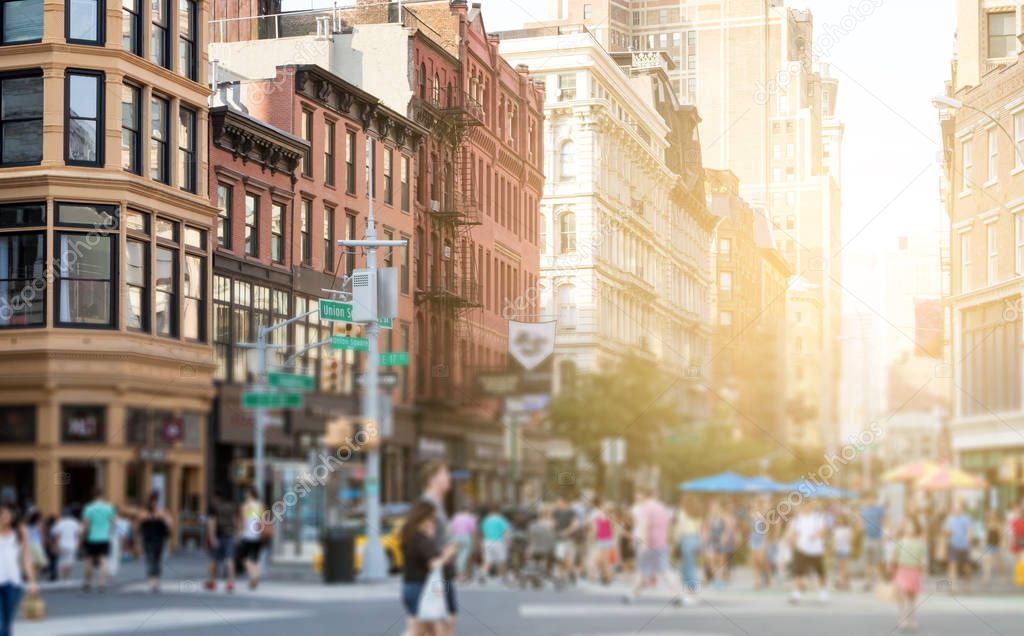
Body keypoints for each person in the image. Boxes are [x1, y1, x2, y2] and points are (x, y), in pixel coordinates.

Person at [400, 501, 456, 636]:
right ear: (422, 517)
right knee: (421, 630)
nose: (433, 522)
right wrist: (447, 554)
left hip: (412, 586)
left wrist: (430, 538)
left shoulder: (410, 536)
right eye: (431, 518)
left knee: (426, 629)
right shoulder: (419, 538)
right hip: (422, 588)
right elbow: (433, 564)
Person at [624, 487, 687, 606]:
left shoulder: (645, 508)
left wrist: (643, 542)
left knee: (641, 569)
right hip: (661, 543)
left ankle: (631, 595)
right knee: (666, 570)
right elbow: (668, 525)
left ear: (645, 496)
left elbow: (644, 525)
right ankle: (677, 595)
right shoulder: (663, 508)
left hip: (648, 542)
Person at [420, 460, 456, 631]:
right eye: (444, 473)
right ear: (432, 479)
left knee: (445, 619)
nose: (449, 477)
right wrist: (444, 555)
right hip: (437, 571)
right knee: (444, 619)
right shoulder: (429, 504)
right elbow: (422, 538)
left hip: (443, 570)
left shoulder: (437, 503)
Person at [0, 503, 38, 636]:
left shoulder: (20, 531)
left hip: (14, 584)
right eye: (1, 514)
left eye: (7, 513)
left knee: (6, 624)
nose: (4, 517)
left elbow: (27, 559)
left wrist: (32, 581)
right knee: (0, 625)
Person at [788, 501, 829, 604]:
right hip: (801, 549)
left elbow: (823, 530)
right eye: (803, 506)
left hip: (816, 550)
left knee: (820, 572)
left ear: (811, 506)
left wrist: (816, 535)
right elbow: (795, 533)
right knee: (798, 572)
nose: (806, 508)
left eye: (808, 506)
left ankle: (823, 591)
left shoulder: (817, 518)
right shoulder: (798, 519)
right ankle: (798, 592)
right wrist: (793, 542)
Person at [891, 517, 927, 632]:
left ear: (916, 528)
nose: (909, 528)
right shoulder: (900, 541)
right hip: (902, 570)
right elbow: (895, 556)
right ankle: (904, 618)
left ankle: (912, 618)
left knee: (912, 597)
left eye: (911, 526)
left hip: (915, 571)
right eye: (907, 526)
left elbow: (923, 558)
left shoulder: (920, 542)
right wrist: (891, 567)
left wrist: (924, 569)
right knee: (903, 594)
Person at [81, 487, 116, 592]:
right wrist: (107, 530)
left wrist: (83, 536)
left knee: (88, 561)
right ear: (102, 495)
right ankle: (102, 584)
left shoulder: (88, 508)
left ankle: (87, 583)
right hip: (104, 537)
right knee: (103, 561)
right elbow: (113, 523)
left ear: (92, 495)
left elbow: (86, 525)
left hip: (91, 538)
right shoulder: (109, 508)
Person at [205, 490, 238, 592]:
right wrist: (237, 534)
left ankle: (212, 582)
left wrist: (212, 537)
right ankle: (230, 582)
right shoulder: (232, 507)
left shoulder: (215, 507)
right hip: (230, 535)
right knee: (230, 558)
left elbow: (212, 523)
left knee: (214, 560)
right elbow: (236, 521)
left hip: (218, 536)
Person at [137, 492, 171, 593]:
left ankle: (156, 582)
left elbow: (169, 522)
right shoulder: (144, 512)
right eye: (152, 501)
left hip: (159, 539)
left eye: (155, 501)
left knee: (156, 560)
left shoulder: (161, 512)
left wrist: (161, 516)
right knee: (151, 559)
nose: (154, 504)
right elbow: (139, 521)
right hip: (148, 540)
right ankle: (153, 582)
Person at [674, 495, 703, 596]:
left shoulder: (683, 513)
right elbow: (699, 530)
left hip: (686, 539)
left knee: (687, 564)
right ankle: (687, 585)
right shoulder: (697, 514)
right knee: (689, 563)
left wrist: (676, 540)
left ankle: (692, 586)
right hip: (695, 539)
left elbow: (680, 528)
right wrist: (701, 543)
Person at [943, 501, 973, 594]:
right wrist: (948, 532)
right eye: (955, 508)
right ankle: (953, 587)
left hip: (964, 546)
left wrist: (969, 538)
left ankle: (967, 585)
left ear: (962, 508)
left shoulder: (966, 519)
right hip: (953, 545)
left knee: (966, 567)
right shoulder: (949, 519)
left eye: (958, 507)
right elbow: (946, 531)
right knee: (952, 566)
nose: (956, 509)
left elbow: (969, 531)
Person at [239, 488, 265, 590]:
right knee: (255, 558)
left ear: (249, 494)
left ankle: (253, 575)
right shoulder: (260, 505)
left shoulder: (245, 506)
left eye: (246, 494)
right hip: (258, 535)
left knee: (244, 557)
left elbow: (243, 522)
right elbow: (263, 520)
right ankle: (256, 575)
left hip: (247, 535)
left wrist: (239, 533)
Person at [860, 495, 886, 590]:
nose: (870, 500)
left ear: (875, 499)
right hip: (867, 538)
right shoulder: (864, 510)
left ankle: (880, 582)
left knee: (878, 562)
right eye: (868, 498)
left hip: (877, 538)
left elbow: (884, 521)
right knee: (868, 562)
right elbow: (862, 522)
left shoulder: (879, 510)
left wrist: (885, 536)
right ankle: (867, 582)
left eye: (872, 498)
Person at [552, 494, 578, 585]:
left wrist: (566, 532)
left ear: (564, 502)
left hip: (569, 539)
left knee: (569, 559)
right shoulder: (556, 512)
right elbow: (553, 524)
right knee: (560, 558)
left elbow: (575, 525)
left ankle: (571, 572)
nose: (557, 504)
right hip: (559, 539)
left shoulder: (571, 512)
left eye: (559, 502)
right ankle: (561, 576)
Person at [587, 500, 615, 585]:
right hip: (601, 540)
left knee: (603, 561)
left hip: (605, 541)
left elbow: (611, 530)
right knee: (598, 560)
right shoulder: (598, 515)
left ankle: (607, 577)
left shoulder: (608, 517)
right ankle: (603, 577)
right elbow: (591, 525)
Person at [479, 506, 510, 582]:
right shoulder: (500, 520)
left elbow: (481, 532)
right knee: (502, 559)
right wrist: (508, 542)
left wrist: (481, 542)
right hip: (498, 541)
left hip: (487, 541)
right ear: (498, 511)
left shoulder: (486, 520)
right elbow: (506, 531)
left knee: (487, 560)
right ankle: (504, 576)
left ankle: (483, 574)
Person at [50, 508, 81, 581]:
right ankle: (67, 577)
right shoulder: (75, 522)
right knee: (69, 561)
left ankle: (62, 577)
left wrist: (55, 546)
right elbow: (77, 534)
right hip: (72, 545)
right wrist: (78, 543)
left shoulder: (60, 523)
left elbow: (56, 535)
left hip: (61, 545)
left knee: (61, 561)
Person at [449, 505, 477, 583]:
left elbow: (451, 528)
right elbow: (473, 531)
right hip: (466, 537)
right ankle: (461, 575)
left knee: (457, 556)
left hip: (456, 537)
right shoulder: (471, 518)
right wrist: (474, 541)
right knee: (464, 556)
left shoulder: (456, 517)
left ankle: (458, 574)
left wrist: (451, 539)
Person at [748, 500, 771, 589]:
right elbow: (750, 528)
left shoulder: (764, 515)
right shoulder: (751, 515)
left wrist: (766, 541)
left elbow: (766, 529)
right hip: (753, 540)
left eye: (756, 505)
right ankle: (757, 581)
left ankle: (768, 576)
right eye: (753, 505)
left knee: (762, 561)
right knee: (756, 562)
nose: (755, 507)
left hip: (762, 539)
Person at [23, 512, 47, 583]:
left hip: (29, 545)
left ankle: (31, 576)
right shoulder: (39, 525)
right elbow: (41, 535)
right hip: (36, 545)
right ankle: (33, 576)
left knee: (33, 562)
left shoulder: (27, 525)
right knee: (41, 563)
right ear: (38, 518)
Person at [832, 513, 853, 590]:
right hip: (838, 549)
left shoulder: (847, 529)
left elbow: (850, 540)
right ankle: (842, 581)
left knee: (845, 567)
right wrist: (833, 548)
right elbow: (835, 540)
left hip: (845, 549)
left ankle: (844, 581)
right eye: (838, 519)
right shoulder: (836, 529)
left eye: (840, 519)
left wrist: (849, 547)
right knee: (841, 567)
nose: (839, 521)